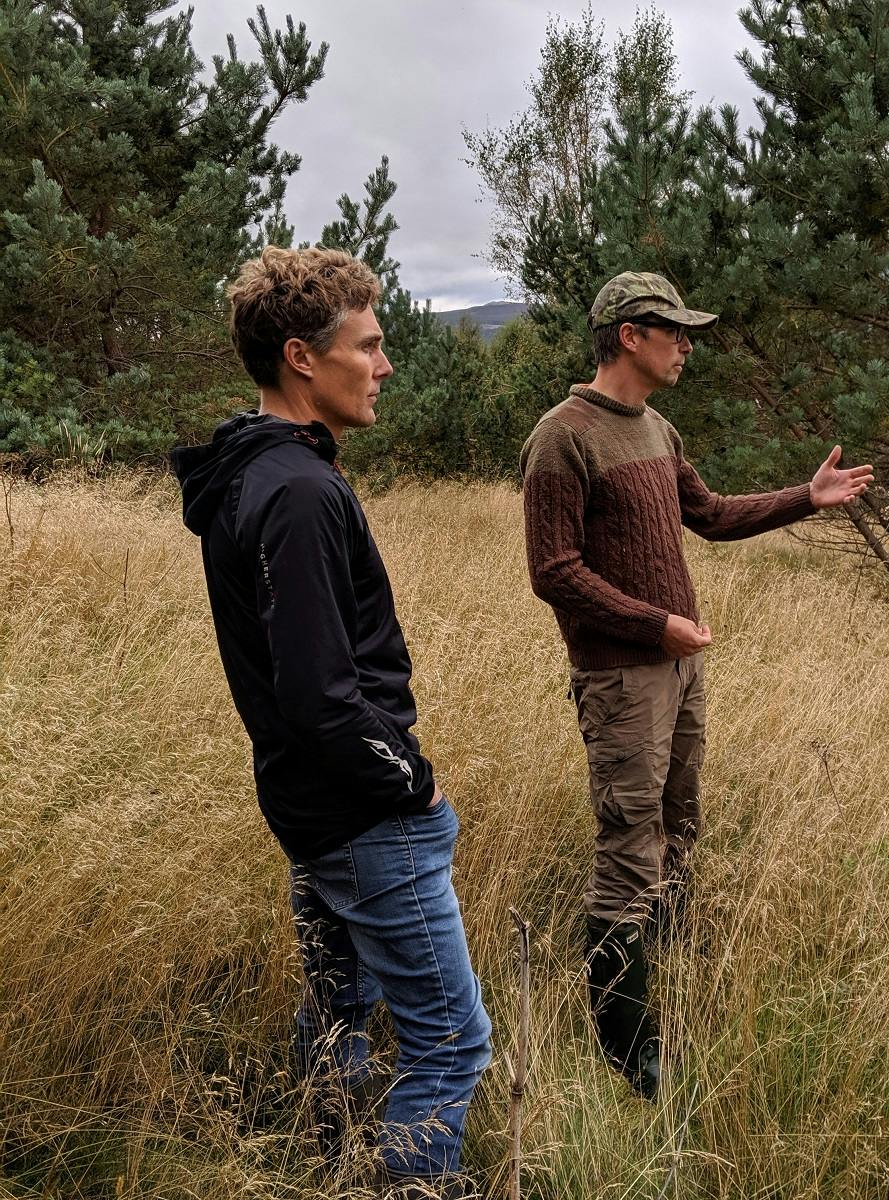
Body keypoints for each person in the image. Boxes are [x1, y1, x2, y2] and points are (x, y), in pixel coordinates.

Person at [172, 246, 491, 1200]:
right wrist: (413, 781)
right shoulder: (300, 493)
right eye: (371, 344)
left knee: (342, 1009)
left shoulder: (252, 475)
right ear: (304, 358)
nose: (386, 365)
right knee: (448, 1043)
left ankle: (333, 1167)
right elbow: (320, 695)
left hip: (313, 813)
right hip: (364, 817)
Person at [520, 271, 873, 1100]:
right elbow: (552, 571)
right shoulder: (561, 437)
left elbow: (707, 514)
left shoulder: (656, 429)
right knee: (628, 847)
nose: (687, 343)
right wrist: (654, 625)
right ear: (628, 336)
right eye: (673, 330)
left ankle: (670, 979)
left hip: (681, 669)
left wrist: (805, 499)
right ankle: (628, 1052)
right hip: (623, 677)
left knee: (681, 823)